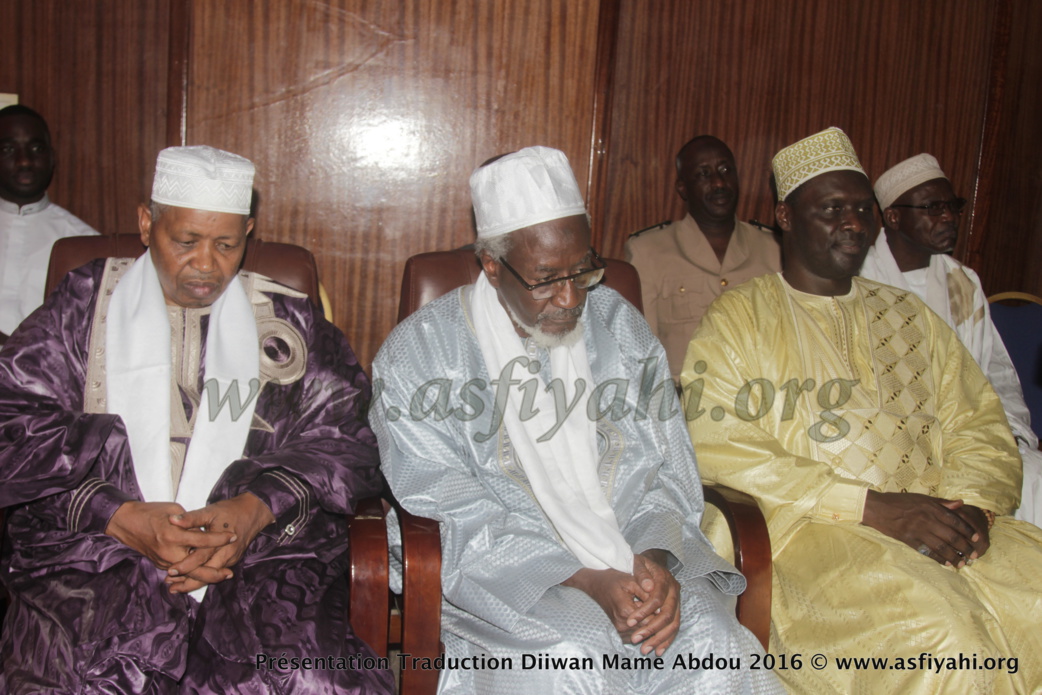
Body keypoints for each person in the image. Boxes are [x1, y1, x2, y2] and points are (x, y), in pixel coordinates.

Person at [371, 146, 781, 694]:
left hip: (631, 553)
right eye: (545, 278)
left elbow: (668, 474)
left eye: (582, 269)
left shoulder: (621, 328)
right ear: (492, 266)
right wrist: (589, 578)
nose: (570, 297)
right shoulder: (421, 355)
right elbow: (446, 509)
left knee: (718, 648)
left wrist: (652, 567)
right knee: (569, 659)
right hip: (512, 579)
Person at [0, 146, 393, 693]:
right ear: (146, 223)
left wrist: (255, 509)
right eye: (185, 241)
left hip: (257, 563)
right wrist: (118, 515)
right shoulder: (85, 306)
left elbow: (347, 437)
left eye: (227, 244)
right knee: (74, 676)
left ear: (249, 233)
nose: (206, 264)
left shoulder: (290, 321)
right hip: (97, 557)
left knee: (311, 679)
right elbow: (11, 420)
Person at [682, 127, 1042, 693]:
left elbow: (980, 422)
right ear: (784, 215)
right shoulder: (740, 318)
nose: (853, 223)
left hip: (945, 527)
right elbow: (717, 445)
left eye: (861, 209)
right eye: (831, 209)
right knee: (947, 641)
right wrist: (870, 507)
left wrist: (973, 508)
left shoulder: (913, 315)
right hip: (810, 537)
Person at [861, 153, 1042, 528]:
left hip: (966, 436)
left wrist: (1011, 437)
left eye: (953, 206)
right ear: (893, 217)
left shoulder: (964, 283)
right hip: (889, 448)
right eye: (932, 207)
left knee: (1034, 480)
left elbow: (995, 376)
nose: (948, 217)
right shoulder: (857, 280)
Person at [625, 135, 780, 380]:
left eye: (725, 170)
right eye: (704, 174)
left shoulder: (773, 248)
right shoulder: (649, 252)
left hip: (763, 400)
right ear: (683, 188)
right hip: (685, 405)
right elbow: (642, 355)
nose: (719, 182)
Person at [0, 104, 98, 340]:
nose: (24, 161)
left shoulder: (85, 244)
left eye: (36, 148)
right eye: (8, 149)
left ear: (52, 157)